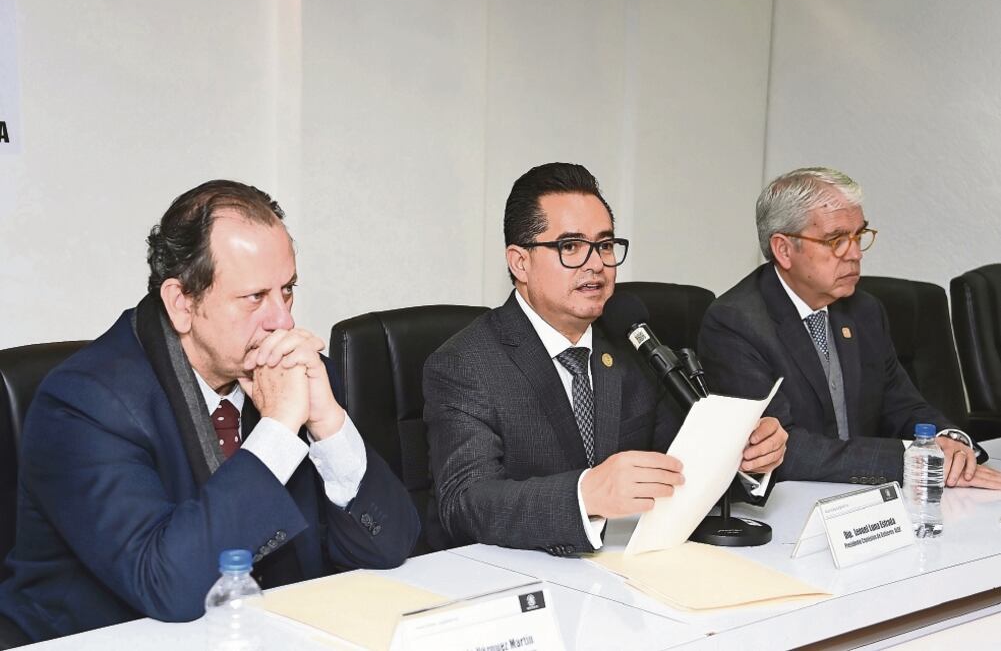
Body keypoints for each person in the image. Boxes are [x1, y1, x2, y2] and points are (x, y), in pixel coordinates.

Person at [0, 180, 420, 644]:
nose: (282, 320)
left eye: (288, 290)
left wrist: (329, 424)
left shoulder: (295, 374)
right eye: (255, 297)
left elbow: (390, 546)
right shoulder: (83, 403)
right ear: (182, 303)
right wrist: (279, 430)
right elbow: (170, 587)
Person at [423, 162, 787, 555]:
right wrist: (585, 495)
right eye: (571, 247)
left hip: (626, 570)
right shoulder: (465, 364)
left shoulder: (631, 341)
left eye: (605, 245)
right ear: (520, 262)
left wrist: (746, 458)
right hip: (521, 580)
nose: (596, 263)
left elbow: (679, 467)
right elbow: (464, 504)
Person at [698, 167, 1001, 489]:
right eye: (836, 240)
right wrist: (916, 459)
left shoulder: (864, 309)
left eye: (859, 236)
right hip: (792, 503)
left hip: (868, 500)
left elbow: (901, 402)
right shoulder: (735, 323)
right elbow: (784, 449)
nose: (855, 254)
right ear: (784, 249)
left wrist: (948, 439)